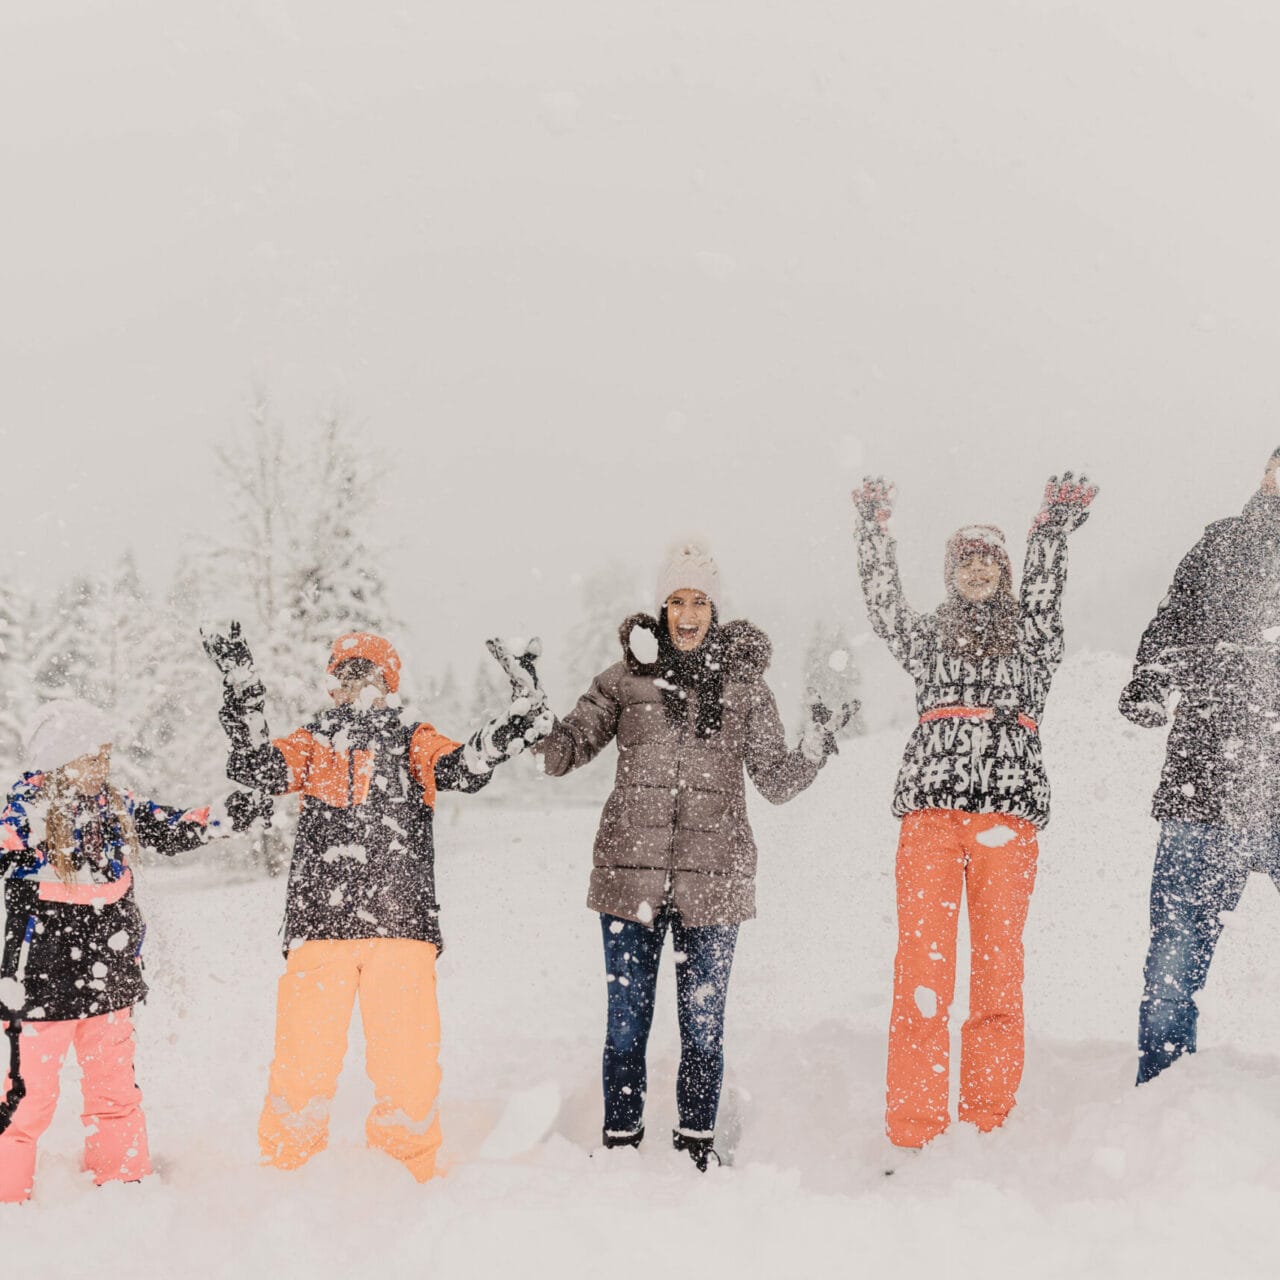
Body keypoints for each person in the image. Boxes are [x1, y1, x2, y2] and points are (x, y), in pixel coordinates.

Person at [533, 544, 854, 1170]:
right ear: (661, 606)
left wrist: (815, 745)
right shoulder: (624, 680)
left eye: (699, 601)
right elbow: (561, 752)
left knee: (703, 1029)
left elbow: (776, 780)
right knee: (626, 1026)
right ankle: (621, 1147)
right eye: (676, 601)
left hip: (716, 884)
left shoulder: (744, 688)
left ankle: (695, 1151)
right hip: (631, 881)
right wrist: (533, 722)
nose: (686, 614)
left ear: (715, 608)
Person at [210, 628, 550, 1182]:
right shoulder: (315, 742)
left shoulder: (412, 738)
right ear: (332, 683)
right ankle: (284, 1176)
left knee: (408, 1066)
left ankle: (407, 1175)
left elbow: (462, 767)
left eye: (366, 672)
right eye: (343, 673)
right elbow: (256, 768)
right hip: (319, 928)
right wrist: (243, 691)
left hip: (402, 928)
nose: (353, 683)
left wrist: (506, 730)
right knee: (302, 1064)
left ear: (389, 682)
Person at [852, 472, 1098, 1149]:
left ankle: (987, 1123)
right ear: (951, 572)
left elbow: (1046, 595)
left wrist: (1048, 532)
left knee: (997, 974)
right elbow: (884, 608)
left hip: (1007, 821)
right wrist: (873, 531)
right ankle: (916, 1128)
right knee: (923, 978)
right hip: (930, 818)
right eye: (966, 558)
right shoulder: (927, 637)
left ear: (1006, 572)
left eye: (989, 557)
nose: (978, 567)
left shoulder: (1033, 638)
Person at [0, 699, 228, 1202]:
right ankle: (6, 1195)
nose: (99, 768)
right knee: (27, 1100)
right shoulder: (25, 815)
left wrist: (224, 817)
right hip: (38, 989)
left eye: (104, 756)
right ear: (59, 761)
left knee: (114, 1094)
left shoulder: (116, 806)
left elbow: (176, 827)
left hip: (108, 981)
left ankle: (123, 1184)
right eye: (89, 757)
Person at [1121, 448, 1280, 1084]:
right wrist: (1150, 678)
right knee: (1173, 956)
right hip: (1205, 781)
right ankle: (1162, 1088)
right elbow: (1171, 621)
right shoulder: (1221, 544)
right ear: (1266, 473)